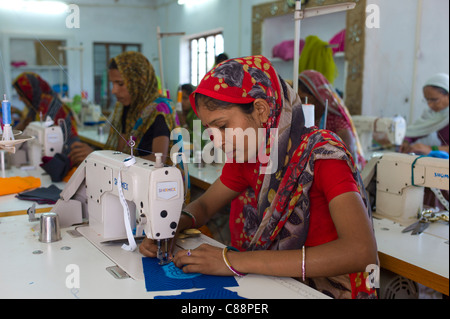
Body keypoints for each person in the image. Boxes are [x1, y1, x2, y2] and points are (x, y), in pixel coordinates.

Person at [140, 55, 378, 299]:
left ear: (261, 110)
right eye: (209, 129)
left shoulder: (323, 156)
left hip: (332, 289)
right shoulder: (249, 155)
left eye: (222, 126)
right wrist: (171, 227)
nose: (217, 141)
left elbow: (361, 251)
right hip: (282, 283)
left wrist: (232, 261)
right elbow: (204, 204)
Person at [69, 51, 180, 166]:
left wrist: (98, 157)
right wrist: (99, 158)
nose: (114, 90)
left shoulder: (160, 110)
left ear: (138, 82)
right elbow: (121, 152)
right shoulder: (126, 108)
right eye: (112, 83)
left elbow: (158, 161)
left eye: (120, 84)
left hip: (159, 181)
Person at [298, 70, 366, 169]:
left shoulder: (336, 122)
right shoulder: (303, 118)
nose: (300, 104)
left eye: (304, 99)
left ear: (319, 97)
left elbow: (350, 160)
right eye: (298, 99)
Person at [12, 72, 79, 152]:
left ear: (29, 92)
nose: (20, 99)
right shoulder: (35, 106)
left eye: (21, 95)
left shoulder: (48, 105)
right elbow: (25, 125)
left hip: (68, 151)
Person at [400, 73, 449, 155]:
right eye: (427, 100)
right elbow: (416, 131)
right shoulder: (431, 114)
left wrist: (430, 148)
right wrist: (405, 141)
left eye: (434, 100)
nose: (430, 105)